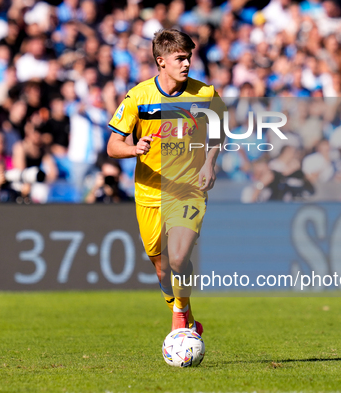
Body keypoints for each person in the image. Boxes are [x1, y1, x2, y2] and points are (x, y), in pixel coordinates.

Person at [106, 29, 224, 335]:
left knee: (180, 257)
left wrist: (210, 162)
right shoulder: (138, 96)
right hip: (148, 192)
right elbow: (112, 145)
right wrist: (133, 149)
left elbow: (218, 133)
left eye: (189, 57)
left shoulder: (205, 94)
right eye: (179, 58)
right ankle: (186, 315)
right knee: (163, 269)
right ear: (161, 61)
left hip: (187, 189)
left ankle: (179, 315)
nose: (186, 64)